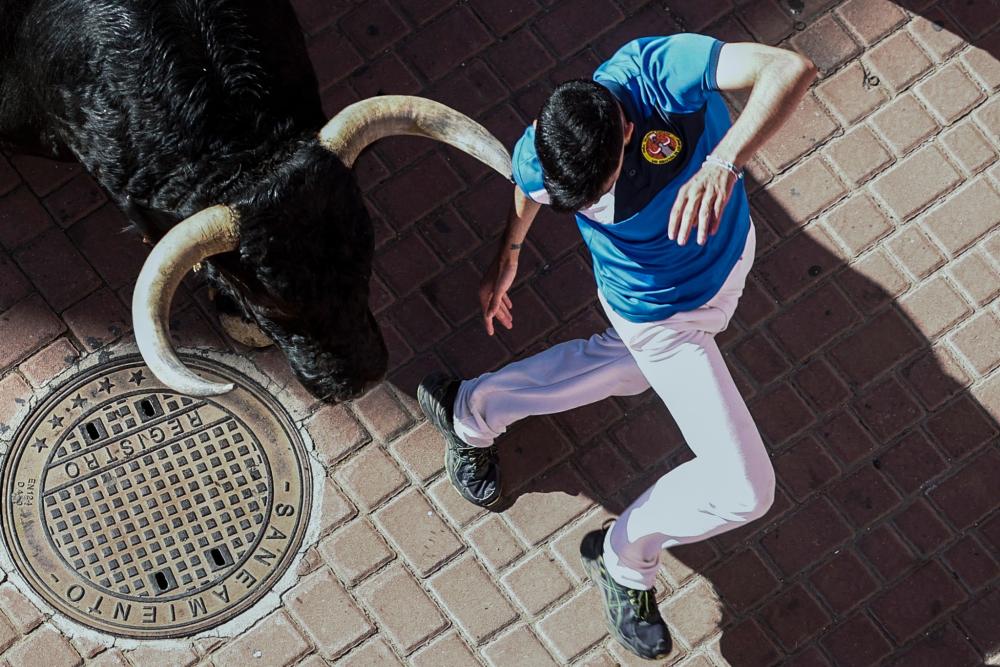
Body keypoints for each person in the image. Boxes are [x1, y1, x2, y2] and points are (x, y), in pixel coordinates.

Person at [418, 33, 816, 660]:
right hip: (659, 317)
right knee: (745, 487)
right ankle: (624, 558)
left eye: (598, 190)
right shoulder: (543, 158)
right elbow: (530, 191)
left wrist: (723, 161)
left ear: (627, 132)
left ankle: (471, 411)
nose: (592, 207)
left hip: (725, 263)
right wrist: (509, 254)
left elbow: (789, 68)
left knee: (626, 371)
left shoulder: (656, 72)